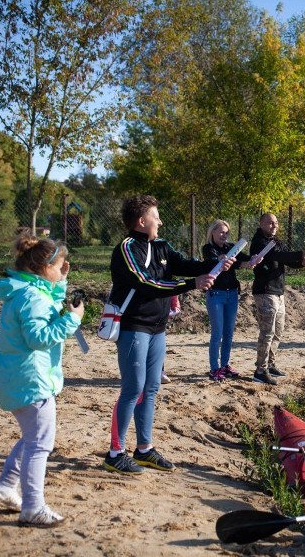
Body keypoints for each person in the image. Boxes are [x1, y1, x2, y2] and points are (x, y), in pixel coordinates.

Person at [103, 194, 234, 475]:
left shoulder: (161, 247)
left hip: (157, 328)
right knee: (132, 388)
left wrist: (216, 264)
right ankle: (115, 453)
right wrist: (191, 284)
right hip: (133, 326)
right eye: (155, 216)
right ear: (141, 221)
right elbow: (146, 283)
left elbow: (186, 264)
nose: (160, 221)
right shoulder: (126, 249)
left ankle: (144, 449)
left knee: (150, 388)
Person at [0, 230, 84, 527]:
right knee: (40, 444)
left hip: (19, 377)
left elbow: (45, 299)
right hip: (33, 380)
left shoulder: (25, 291)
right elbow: (39, 336)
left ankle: (5, 487)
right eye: (58, 266)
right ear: (44, 269)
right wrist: (72, 320)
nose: (61, 270)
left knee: (32, 438)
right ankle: (33, 506)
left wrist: (62, 280)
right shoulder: (32, 297)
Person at [249, 212, 305, 385]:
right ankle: (260, 370)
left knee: (278, 332)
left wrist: (302, 261)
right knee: (267, 332)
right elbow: (276, 256)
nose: (274, 226)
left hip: (278, 292)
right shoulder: (259, 242)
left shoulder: (276, 242)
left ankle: (270, 365)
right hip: (265, 291)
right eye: (270, 223)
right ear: (261, 224)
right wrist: (302, 252)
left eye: (276, 223)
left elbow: (287, 259)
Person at [201, 219, 257, 381]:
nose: (224, 235)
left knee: (228, 333)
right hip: (215, 294)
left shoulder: (230, 248)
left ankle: (225, 365)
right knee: (217, 333)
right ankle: (214, 368)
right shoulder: (208, 249)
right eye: (221, 232)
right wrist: (222, 259)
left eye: (226, 232)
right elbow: (212, 260)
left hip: (232, 294)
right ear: (212, 232)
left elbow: (243, 259)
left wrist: (253, 260)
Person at [160, 295, 180, 384]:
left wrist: (175, 304)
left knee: (159, 343)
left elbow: (171, 283)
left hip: (161, 308)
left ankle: (159, 372)